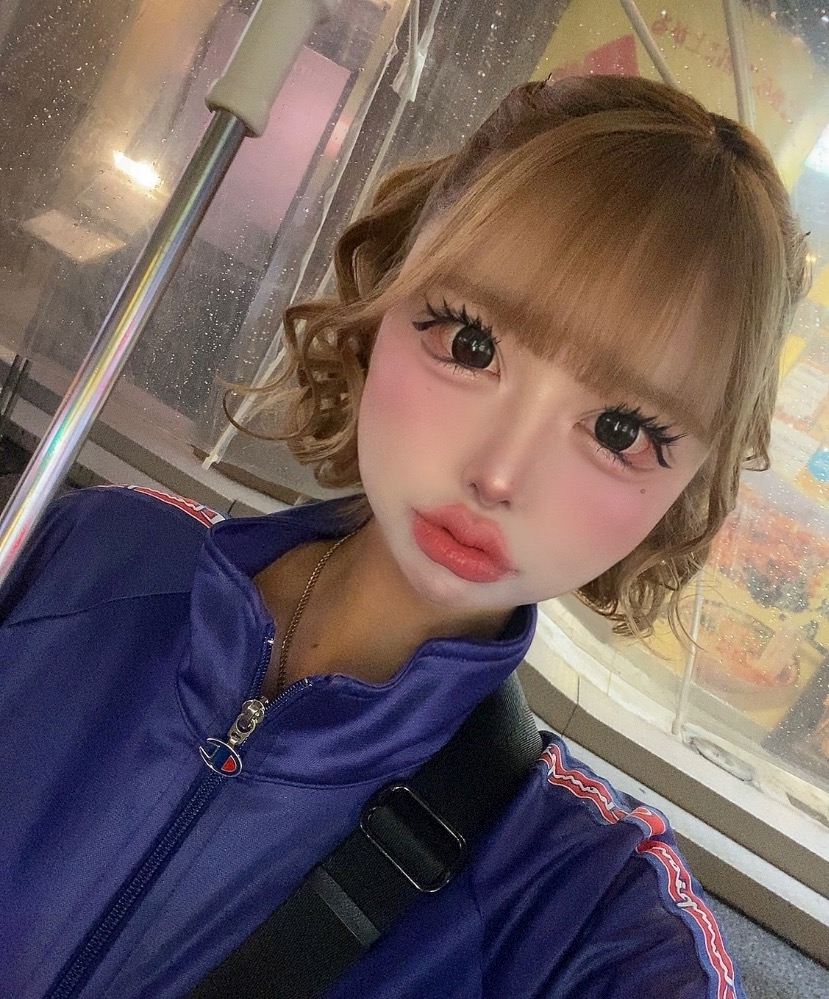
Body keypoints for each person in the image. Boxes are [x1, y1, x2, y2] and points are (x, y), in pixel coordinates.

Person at [0, 75, 808, 999]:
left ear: (687, 487)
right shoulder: (80, 556)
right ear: (384, 299)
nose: (499, 473)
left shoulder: (586, 917)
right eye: (470, 344)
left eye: (621, 430)